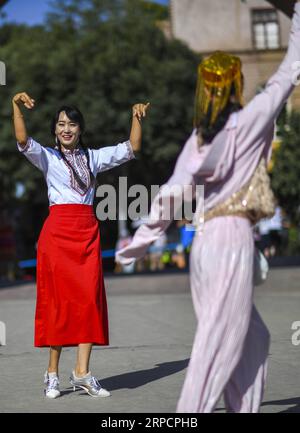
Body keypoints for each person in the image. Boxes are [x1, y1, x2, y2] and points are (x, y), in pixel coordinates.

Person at [116, 2, 300, 413]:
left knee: (254, 340)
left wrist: (138, 243)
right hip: (231, 240)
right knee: (216, 345)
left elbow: (170, 194)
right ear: (235, 86)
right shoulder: (247, 121)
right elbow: (291, 68)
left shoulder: (197, 140)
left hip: (205, 245)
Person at [12, 91, 149, 399]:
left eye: (72, 123)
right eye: (61, 124)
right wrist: (15, 107)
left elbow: (132, 147)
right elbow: (22, 139)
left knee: (88, 302)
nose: (66, 128)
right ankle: (51, 374)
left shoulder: (93, 158)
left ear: (80, 129)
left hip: (86, 234)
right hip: (57, 236)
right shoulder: (46, 156)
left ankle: (82, 373)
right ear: (54, 130)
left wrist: (135, 117)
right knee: (59, 304)